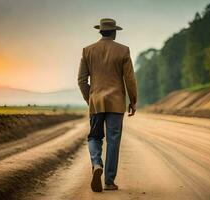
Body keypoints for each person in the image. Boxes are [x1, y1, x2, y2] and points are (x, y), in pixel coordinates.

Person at [78, 18, 137, 192]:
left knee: (94, 137)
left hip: (96, 101)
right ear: (114, 32)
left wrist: (90, 98)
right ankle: (109, 182)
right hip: (116, 103)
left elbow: (81, 80)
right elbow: (130, 79)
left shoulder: (87, 51)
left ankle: (97, 164)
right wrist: (133, 100)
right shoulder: (123, 51)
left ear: (100, 31)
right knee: (113, 141)